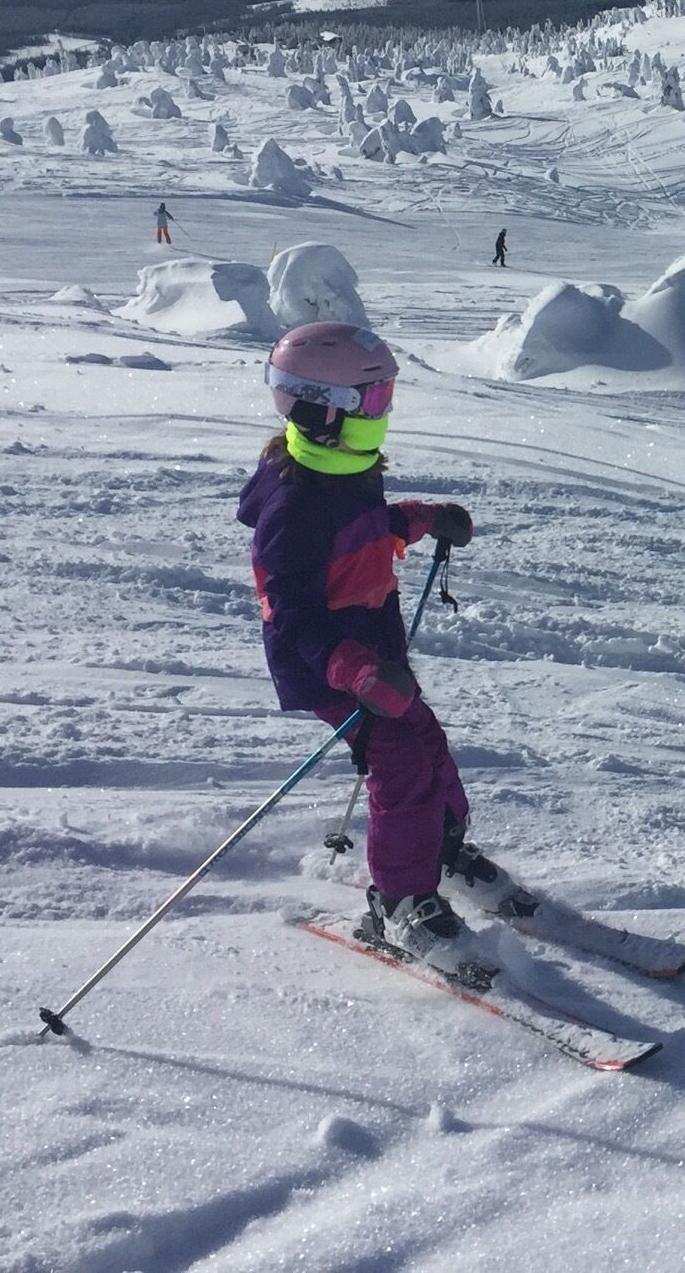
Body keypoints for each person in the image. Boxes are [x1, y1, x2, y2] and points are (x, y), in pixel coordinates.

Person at [237, 321, 484, 966]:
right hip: (331, 665)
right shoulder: (293, 507)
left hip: (369, 653)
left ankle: (440, 847)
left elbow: (365, 529)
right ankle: (400, 904)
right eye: (374, 400)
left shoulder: (343, 466)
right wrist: (353, 669)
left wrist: (421, 520)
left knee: (425, 738)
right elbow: (288, 612)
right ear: (325, 410)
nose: (386, 410)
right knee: (399, 757)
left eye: (387, 396)